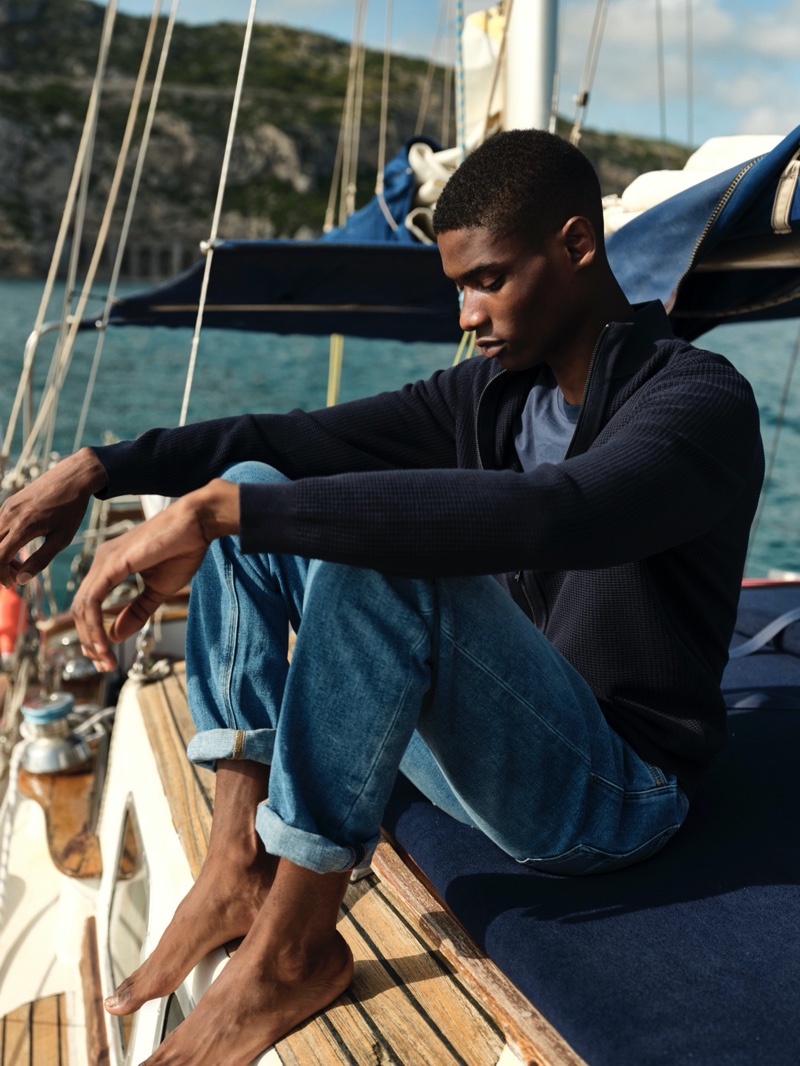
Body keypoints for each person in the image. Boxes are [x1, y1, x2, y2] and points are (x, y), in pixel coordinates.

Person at [0, 130, 763, 1066]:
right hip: (501, 753)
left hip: (616, 797)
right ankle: (238, 862)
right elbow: (295, 437)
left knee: (352, 545)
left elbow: (557, 514)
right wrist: (105, 465)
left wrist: (223, 513)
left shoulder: (697, 402)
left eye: (487, 280)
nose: (468, 315)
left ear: (576, 245)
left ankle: (293, 950)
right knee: (256, 475)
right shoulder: (492, 396)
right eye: (456, 288)